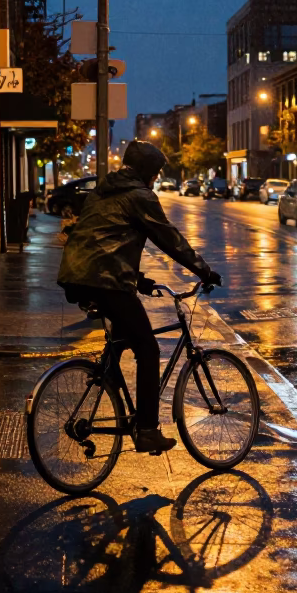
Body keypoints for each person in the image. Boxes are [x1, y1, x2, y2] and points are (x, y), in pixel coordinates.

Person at [58, 139, 221, 453]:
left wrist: (140, 280)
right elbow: (168, 237)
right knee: (148, 348)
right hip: (105, 281)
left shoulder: (103, 191)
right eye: (156, 172)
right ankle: (146, 428)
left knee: (121, 340)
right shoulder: (140, 196)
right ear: (147, 171)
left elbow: (105, 242)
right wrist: (203, 270)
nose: (157, 178)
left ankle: (112, 388)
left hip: (78, 277)